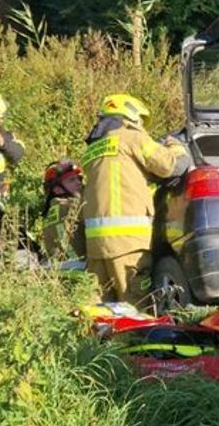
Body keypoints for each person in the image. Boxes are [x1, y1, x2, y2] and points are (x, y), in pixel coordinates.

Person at [81, 93, 189, 307]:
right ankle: (133, 340)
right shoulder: (131, 137)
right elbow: (169, 165)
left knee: (99, 309)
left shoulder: (93, 149)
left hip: (96, 246)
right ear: (131, 116)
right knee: (134, 307)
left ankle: (96, 342)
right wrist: (176, 147)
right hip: (128, 243)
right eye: (141, 121)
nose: (142, 127)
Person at [39, 158, 86, 264]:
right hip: (78, 268)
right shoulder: (69, 206)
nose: (78, 183)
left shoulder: (53, 209)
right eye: (71, 180)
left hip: (59, 269)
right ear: (57, 190)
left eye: (79, 178)